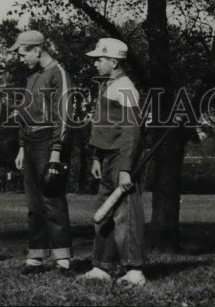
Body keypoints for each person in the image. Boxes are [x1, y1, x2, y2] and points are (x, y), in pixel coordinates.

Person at [82, 37, 147, 287]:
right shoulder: (108, 85)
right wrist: (97, 157)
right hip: (107, 158)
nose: (95, 63)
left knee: (126, 215)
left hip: (121, 158)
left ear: (115, 61)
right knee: (105, 212)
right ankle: (103, 266)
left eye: (100, 59)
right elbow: (103, 127)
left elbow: (131, 131)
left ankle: (134, 270)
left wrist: (125, 169)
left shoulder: (126, 88)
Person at [10, 29, 73, 276]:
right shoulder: (32, 77)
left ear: (37, 50)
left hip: (50, 142)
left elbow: (64, 116)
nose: (20, 58)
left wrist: (57, 150)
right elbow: (24, 115)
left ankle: (63, 259)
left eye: (22, 52)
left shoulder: (58, 74)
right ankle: (36, 257)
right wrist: (22, 147)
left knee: (53, 200)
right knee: (33, 204)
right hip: (31, 142)